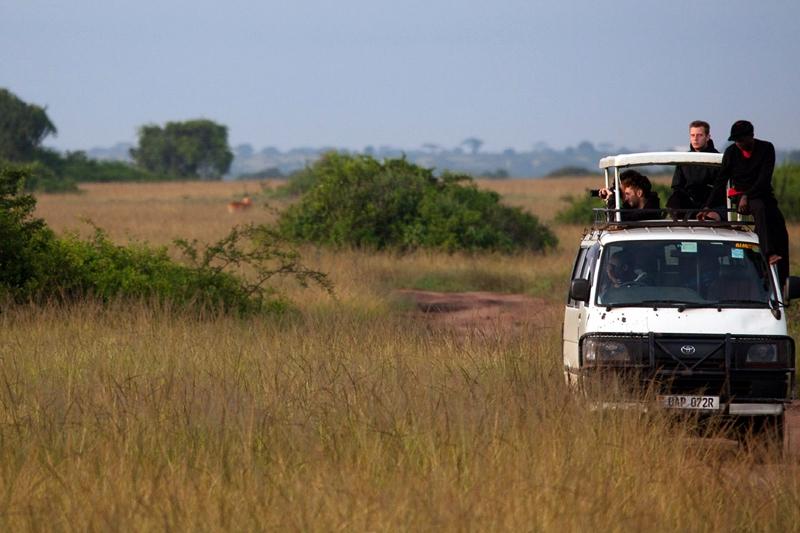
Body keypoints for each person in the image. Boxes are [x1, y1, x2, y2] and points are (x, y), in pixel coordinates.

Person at [701, 120, 789, 289]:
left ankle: (782, 281)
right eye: (736, 141)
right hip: (741, 196)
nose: (739, 144)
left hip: (761, 193)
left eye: (741, 140)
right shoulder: (731, 152)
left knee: (778, 227)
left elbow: (765, 179)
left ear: (751, 136)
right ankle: (768, 253)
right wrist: (708, 206)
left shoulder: (766, 148)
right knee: (759, 208)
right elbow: (721, 181)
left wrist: (748, 195)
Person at [666, 120, 725, 218]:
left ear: (707, 137)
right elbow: (677, 187)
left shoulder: (718, 160)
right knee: (675, 200)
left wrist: (708, 207)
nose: (695, 139)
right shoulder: (684, 160)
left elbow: (720, 189)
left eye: (699, 135)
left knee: (713, 215)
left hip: (714, 204)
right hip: (689, 204)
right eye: (692, 135)